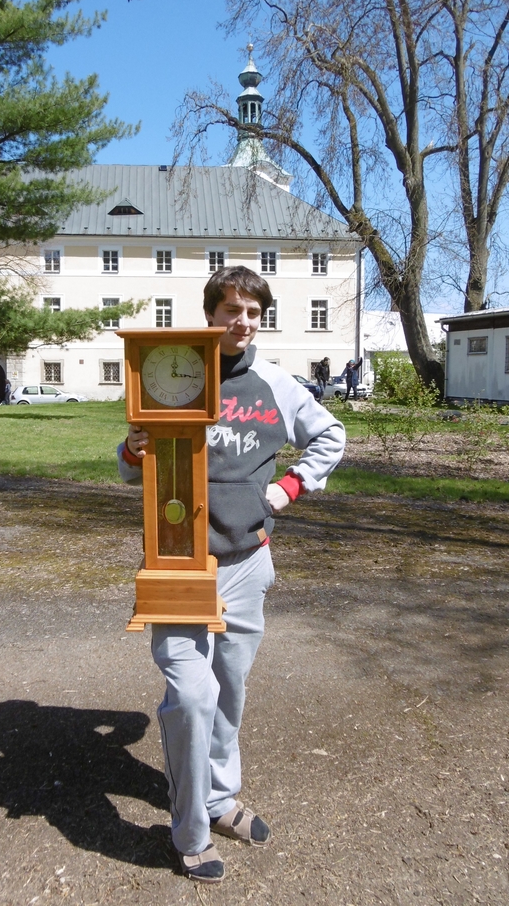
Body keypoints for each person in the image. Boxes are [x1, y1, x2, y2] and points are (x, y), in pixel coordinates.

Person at [117, 266, 346, 885]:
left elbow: (330, 434)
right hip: (178, 565)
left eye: (252, 311)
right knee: (191, 698)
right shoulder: (172, 370)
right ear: (210, 315)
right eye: (230, 311)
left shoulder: (277, 384)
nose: (241, 322)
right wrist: (133, 450)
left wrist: (289, 488)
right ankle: (189, 834)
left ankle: (220, 799)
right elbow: (133, 464)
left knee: (229, 692)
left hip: (248, 564)